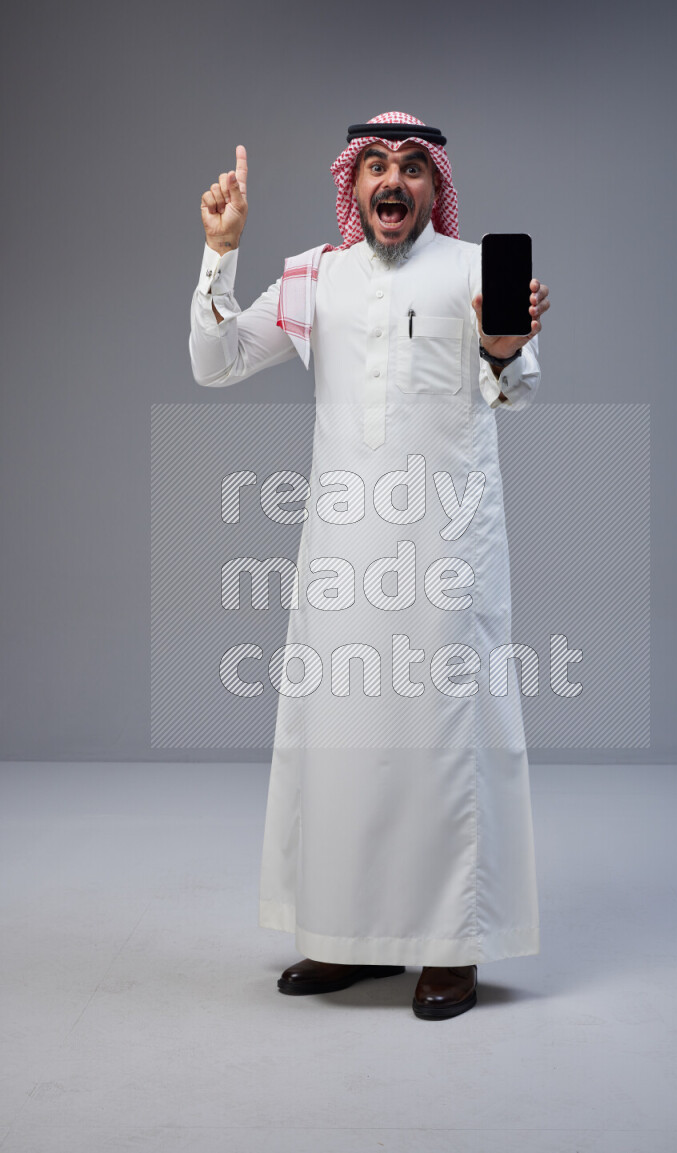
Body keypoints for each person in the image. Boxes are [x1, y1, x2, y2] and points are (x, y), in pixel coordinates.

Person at [190, 112, 550, 1020]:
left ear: (436, 188)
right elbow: (217, 361)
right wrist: (220, 254)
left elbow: (518, 387)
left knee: (440, 745)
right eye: (376, 167)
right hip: (344, 555)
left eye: (413, 169)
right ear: (353, 186)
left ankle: (449, 949)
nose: (393, 182)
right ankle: (348, 938)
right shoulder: (317, 277)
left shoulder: (473, 272)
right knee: (345, 743)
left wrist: (501, 350)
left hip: (446, 554)